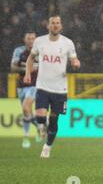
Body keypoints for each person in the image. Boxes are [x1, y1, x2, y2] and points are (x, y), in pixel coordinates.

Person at [24, 16, 80, 158]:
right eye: (52, 23)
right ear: (48, 26)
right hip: (42, 86)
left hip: (60, 89)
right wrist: (27, 73)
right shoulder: (39, 41)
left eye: (57, 23)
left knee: (54, 120)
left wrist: (75, 63)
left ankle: (47, 146)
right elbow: (31, 58)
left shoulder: (67, 43)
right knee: (40, 116)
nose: (55, 25)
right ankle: (42, 126)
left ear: (61, 26)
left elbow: (74, 59)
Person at [10, 31, 41, 148]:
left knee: (25, 107)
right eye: (29, 38)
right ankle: (40, 126)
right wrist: (27, 69)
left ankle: (26, 138)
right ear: (25, 39)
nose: (31, 41)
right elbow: (13, 67)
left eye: (33, 38)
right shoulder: (19, 51)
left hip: (34, 85)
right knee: (26, 112)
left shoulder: (40, 52)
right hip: (21, 86)